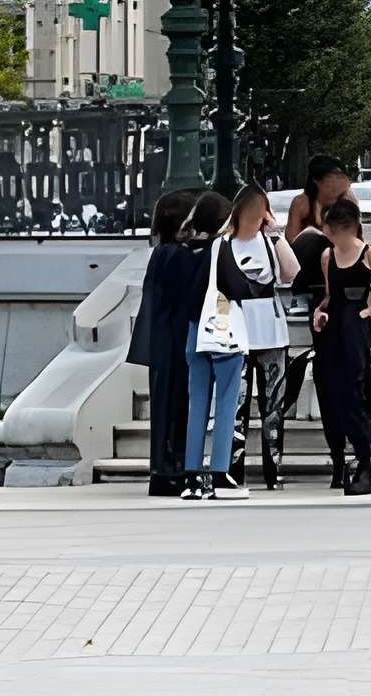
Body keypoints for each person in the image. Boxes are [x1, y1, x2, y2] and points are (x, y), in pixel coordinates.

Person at [311, 196, 371, 495]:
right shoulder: (327, 256)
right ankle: (339, 459)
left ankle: (363, 462)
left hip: (355, 330)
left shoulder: (367, 254)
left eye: (330, 230)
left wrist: (366, 312)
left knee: (353, 394)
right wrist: (319, 313)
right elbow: (328, 296)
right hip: (332, 330)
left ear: (344, 228)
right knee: (331, 394)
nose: (328, 236)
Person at [182, 193, 255, 501]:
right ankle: (219, 473)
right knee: (225, 402)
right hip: (222, 332)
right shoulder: (219, 247)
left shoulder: (185, 249)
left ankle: (192, 476)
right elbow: (238, 287)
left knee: (196, 404)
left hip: (193, 332)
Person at [127, 187, 199, 497]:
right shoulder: (181, 256)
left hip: (163, 340)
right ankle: (174, 468)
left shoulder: (162, 252)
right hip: (177, 340)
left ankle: (163, 469)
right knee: (177, 405)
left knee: (165, 406)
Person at [224, 183, 298, 489]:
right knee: (236, 407)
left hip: (270, 333)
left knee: (273, 409)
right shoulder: (225, 243)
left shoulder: (269, 242)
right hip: (237, 332)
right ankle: (233, 469)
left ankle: (273, 471)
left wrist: (275, 234)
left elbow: (291, 272)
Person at [285, 155, 352, 241]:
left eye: (339, 177)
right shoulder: (302, 203)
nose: (335, 183)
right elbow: (291, 237)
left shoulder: (346, 201)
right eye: (329, 178)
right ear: (316, 180)